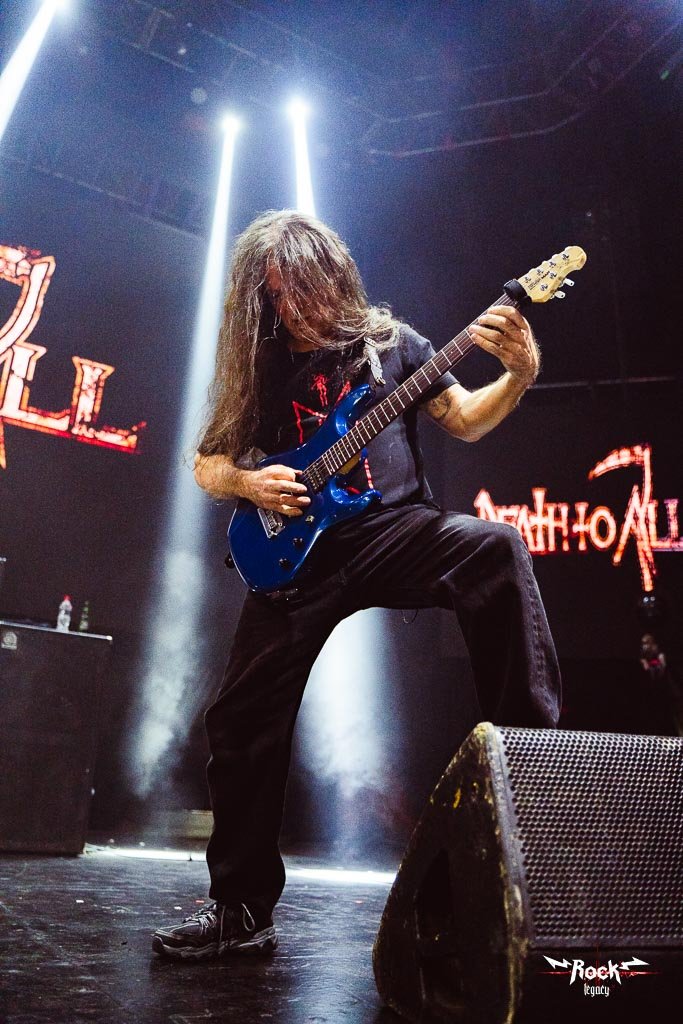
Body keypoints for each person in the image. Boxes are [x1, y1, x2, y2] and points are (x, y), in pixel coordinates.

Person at [152, 210, 561, 960]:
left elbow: (467, 421)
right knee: (240, 721)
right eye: (275, 294)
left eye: (301, 288)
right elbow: (206, 462)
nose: (290, 307)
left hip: (392, 531)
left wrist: (518, 376)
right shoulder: (260, 363)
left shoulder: (393, 346)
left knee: (495, 547)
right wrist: (249, 482)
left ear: (334, 277)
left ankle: (535, 765)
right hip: (296, 558)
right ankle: (240, 910)